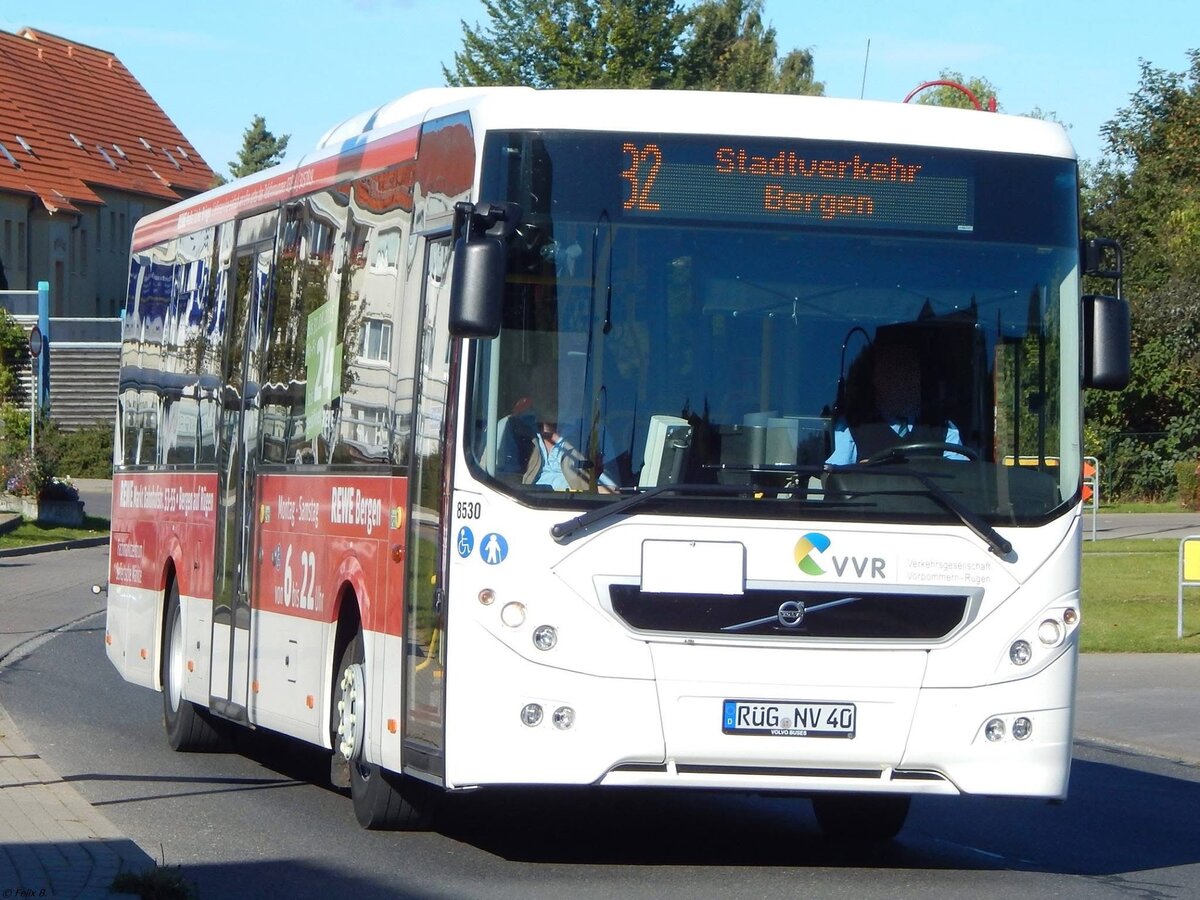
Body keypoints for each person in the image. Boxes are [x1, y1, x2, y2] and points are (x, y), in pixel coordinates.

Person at [825, 341, 964, 465]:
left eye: (910, 370)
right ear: (876, 378)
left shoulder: (944, 429)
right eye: (893, 370)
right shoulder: (851, 427)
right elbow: (833, 476)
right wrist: (860, 472)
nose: (903, 379)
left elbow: (961, 477)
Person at [497, 397, 617, 492]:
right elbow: (494, 486)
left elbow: (610, 492)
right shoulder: (510, 428)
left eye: (560, 386)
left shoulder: (594, 431)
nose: (553, 396)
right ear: (533, 389)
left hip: (576, 511)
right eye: (545, 385)